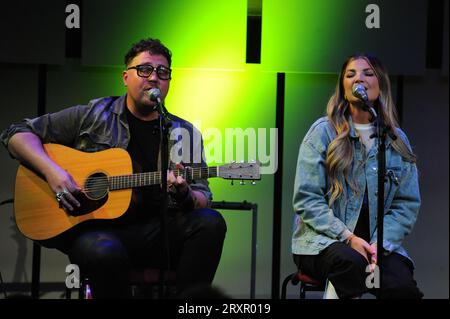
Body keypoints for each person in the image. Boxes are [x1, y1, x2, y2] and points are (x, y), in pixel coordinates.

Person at [1, 38, 227, 298]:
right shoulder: (94, 114)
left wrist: (184, 194)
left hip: (157, 232)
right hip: (97, 232)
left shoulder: (184, 133)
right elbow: (16, 133)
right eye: (145, 69)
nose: (154, 78)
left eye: (162, 72)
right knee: (104, 250)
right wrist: (53, 172)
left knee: (211, 223)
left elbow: (202, 197)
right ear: (125, 77)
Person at [291, 53, 423, 299]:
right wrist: (348, 237)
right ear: (343, 86)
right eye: (350, 75)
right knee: (351, 265)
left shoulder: (395, 140)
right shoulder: (323, 132)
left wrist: (377, 247)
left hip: (377, 246)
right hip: (324, 242)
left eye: (367, 73)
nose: (358, 79)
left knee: (403, 286)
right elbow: (306, 199)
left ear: (380, 84)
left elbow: (406, 204)